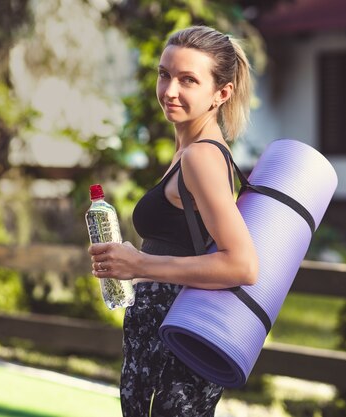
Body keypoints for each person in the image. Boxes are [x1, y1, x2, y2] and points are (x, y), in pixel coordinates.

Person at [88, 25, 258, 417]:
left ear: (222, 93)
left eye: (188, 80)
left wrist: (139, 264)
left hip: (175, 354)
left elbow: (242, 264)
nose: (169, 91)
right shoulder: (188, 152)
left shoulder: (201, 158)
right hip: (161, 345)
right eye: (165, 74)